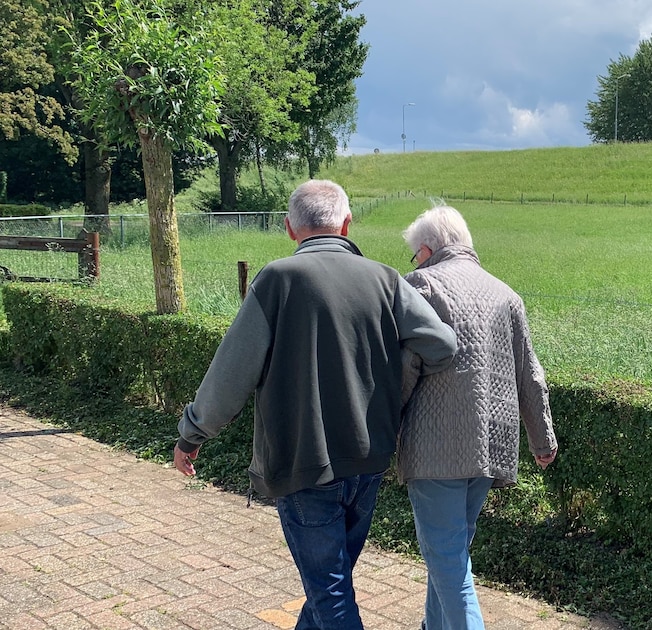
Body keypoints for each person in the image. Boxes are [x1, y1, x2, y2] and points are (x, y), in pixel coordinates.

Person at [173, 179, 458, 630]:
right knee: (329, 586)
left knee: (330, 594)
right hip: (369, 460)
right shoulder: (384, 278)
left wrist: (192, 435)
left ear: (289, 228)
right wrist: (391, 368)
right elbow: (442, 344)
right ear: (346, 224)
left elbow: (230, 375)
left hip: (303, 464)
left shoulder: (278, 279)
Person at [399, 204, 558, 630]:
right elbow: (532, 374)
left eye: (414, 254)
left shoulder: (422, 284)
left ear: (428, 250)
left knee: (448, 563)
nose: (414, 262)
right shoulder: (506, 293)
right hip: (493, 445)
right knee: (451, 556)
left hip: (437, 447)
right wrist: (542, 441)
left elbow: (404, 369)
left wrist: (377, 428)